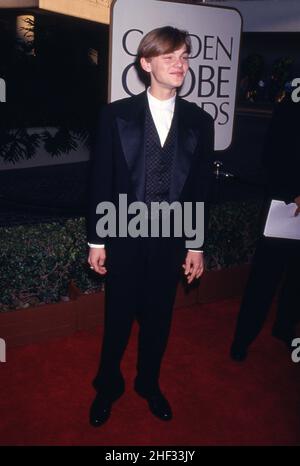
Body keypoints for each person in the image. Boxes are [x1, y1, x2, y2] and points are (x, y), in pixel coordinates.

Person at [87, 26, 214, 426]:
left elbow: (199, 189)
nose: (180, 64)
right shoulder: (115, 115)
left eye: (184, 57)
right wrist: (96, 239)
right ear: (146, 63)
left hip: (171, 239)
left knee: (159, 320)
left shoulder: (199, 120)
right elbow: (100, 180)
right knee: (118, 321)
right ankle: (107, 387)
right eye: (169, 57)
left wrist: (195, 245)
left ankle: (148, 383)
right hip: (123, 234)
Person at [230, 95, 300, 362]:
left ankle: (285, 326)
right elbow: (273, 155)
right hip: (285, 205)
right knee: (264, 278)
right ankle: (242, 338)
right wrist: (295, 192)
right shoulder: (291, 106)